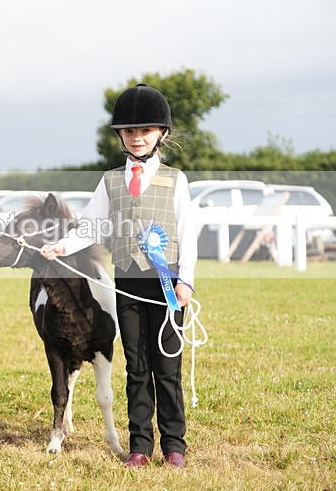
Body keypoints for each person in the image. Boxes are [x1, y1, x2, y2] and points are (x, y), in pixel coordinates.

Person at [40, 84, 197, 468]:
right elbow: (90, 225)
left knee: (167, 367)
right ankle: (140, 445)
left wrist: (186, 280)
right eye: (129, 131)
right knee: (137, 366)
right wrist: (62, 246)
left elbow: (187, 232)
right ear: (121, 136)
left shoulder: (175, 180)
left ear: (161, 133)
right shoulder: (111, 181)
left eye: (145, 130)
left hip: (167, 285)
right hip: (127, 282)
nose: (137, 137)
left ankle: (174, 445)